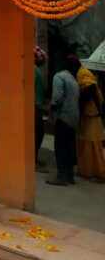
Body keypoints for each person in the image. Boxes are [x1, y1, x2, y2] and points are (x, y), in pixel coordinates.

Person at [46, 55, 80, 186]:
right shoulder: (73, 80)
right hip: (74, 118)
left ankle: (61, 176)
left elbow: (57, 98)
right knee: (69, 147)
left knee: (60, 146)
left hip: (63, 116)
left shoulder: (59, 77)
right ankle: (70, 176)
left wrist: (51, 112)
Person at [77, 63, 105, 181]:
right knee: (90, 145)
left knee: (91, 146)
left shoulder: (89, 86)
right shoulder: (93, 85)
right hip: (92, 119)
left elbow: (84, 99)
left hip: (91, 120)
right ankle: (89, 170)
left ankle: (95, 171)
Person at [34, 46, 47, 171]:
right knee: (38, 134)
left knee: (38, 133)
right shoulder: (34, 70)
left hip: (36, 105)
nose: (43, 60)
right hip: (33, 106)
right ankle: (33, 161)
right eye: (42, 57)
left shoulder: (35, 69)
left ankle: (34, 159)